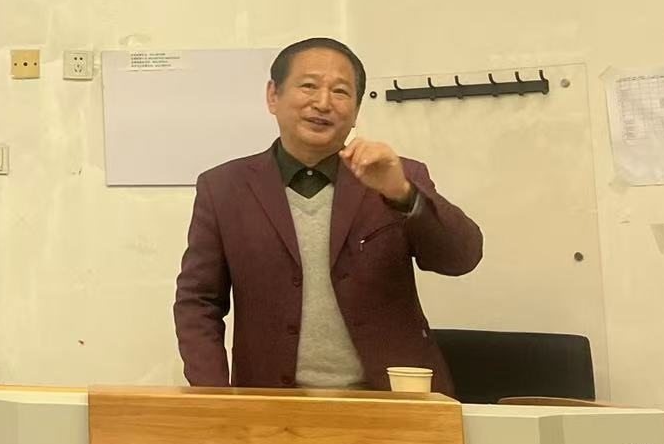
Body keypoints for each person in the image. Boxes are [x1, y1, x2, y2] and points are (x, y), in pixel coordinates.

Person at [172, 37, 483, 395]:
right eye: (308, 86)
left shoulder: (397, 175)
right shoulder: (224, 187)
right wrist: (214, 395)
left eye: (340, 92)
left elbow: (462, 258)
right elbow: (198, 302)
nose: (322, 103)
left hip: (390, 399)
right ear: (273, 95)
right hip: (271, 400)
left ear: (356, 110)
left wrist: (403, 193)